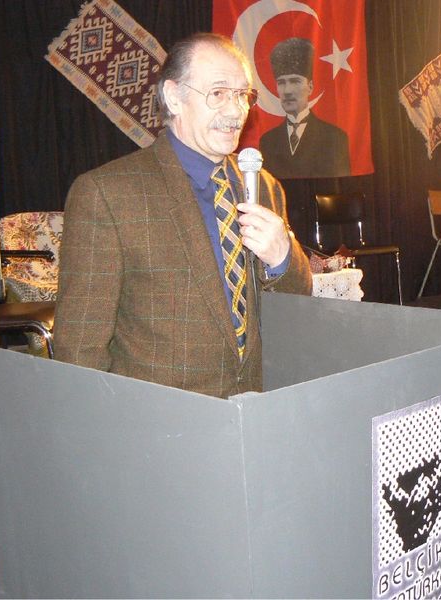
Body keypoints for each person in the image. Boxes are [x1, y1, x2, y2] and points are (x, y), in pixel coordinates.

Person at [53, 32, 312, 399]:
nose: (235, 111)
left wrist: (283, 258)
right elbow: (81, 347)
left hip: (256, 404)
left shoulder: (263, 186)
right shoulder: (107, 194)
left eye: (242, 95)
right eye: (218, 93)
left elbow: (297, 304)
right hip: (162, 415)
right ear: (174, 97)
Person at [259, 37, 351, 179]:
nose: (287, 91)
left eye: (295, 81)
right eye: (281, 82)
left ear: (310, 87)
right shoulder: (267, 141)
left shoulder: (334, 138)